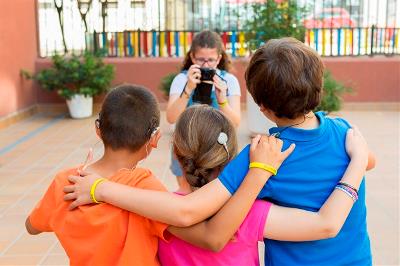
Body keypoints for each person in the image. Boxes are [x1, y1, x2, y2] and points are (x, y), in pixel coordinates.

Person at [64, 105, 371, 266]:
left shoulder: (156, 208)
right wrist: (357, 160)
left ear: (176, 155)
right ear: (229, 157)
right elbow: (323, 224)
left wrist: (101, 183)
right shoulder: (251, 212)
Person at [25, 84, 169, 265]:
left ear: (98, 129)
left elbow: (31, 227)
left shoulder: (67, 181)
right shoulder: (145, 185)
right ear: (155, 138)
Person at [166, 30, 241, 190]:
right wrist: (188, 89)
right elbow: (171, 118)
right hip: (187, 144)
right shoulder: (181, 79)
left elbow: (235, 122)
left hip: (217, 146)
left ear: (219, 58)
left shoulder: (228, 80)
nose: (206, 65)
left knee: (218, 188)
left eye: (211, 60)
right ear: (192, 57)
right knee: (186, 189)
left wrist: (223, 101)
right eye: (201, 60)